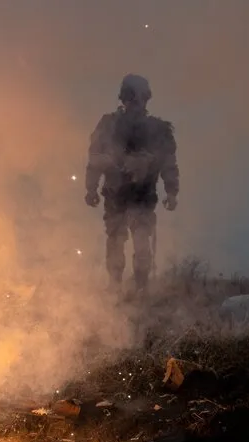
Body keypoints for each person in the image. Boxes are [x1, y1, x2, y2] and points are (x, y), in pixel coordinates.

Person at [84, 74, 180, 299]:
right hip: (115, 196)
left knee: (142, 245)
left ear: (146, 99)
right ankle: (115, 289)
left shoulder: (158, 130)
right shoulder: (108, 126)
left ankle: (141, 290)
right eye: (130, 97)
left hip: (143, 197)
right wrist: (91, 188)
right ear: (124, 98)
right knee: (116, 243)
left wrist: (172, 192)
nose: (134, 102)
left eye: (138, 98)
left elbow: (168, 163)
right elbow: (94, 158)